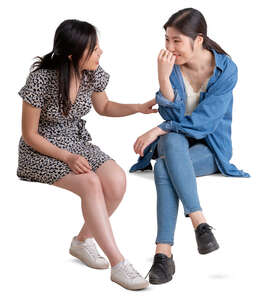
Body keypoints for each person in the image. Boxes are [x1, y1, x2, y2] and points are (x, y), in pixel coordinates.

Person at [16, 19, 158, 290]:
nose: (100, 53)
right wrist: (67, 158)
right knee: (91, 182)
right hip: (40, 149)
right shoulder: (40, 79)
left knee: (116, 181)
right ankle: (118, 264)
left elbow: (104, 106)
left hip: (76, 141)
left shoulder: (92, 72)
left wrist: (138, 107)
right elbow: (29, 135)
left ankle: (81, 242)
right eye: (93, 49)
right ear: (72, 54)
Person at [131, 8, 250, 285]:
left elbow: (205, 123)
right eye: (167, 40)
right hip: (176, 144)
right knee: (171, 140)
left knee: (163, 165)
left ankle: (164, 255)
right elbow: (172, 118)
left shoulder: (226, 70)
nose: (170, 48)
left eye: (176, 41)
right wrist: (163, 77)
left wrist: (158, 129)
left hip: (210, 149)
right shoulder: (171, 65)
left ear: (198, 40)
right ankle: (200, 222)